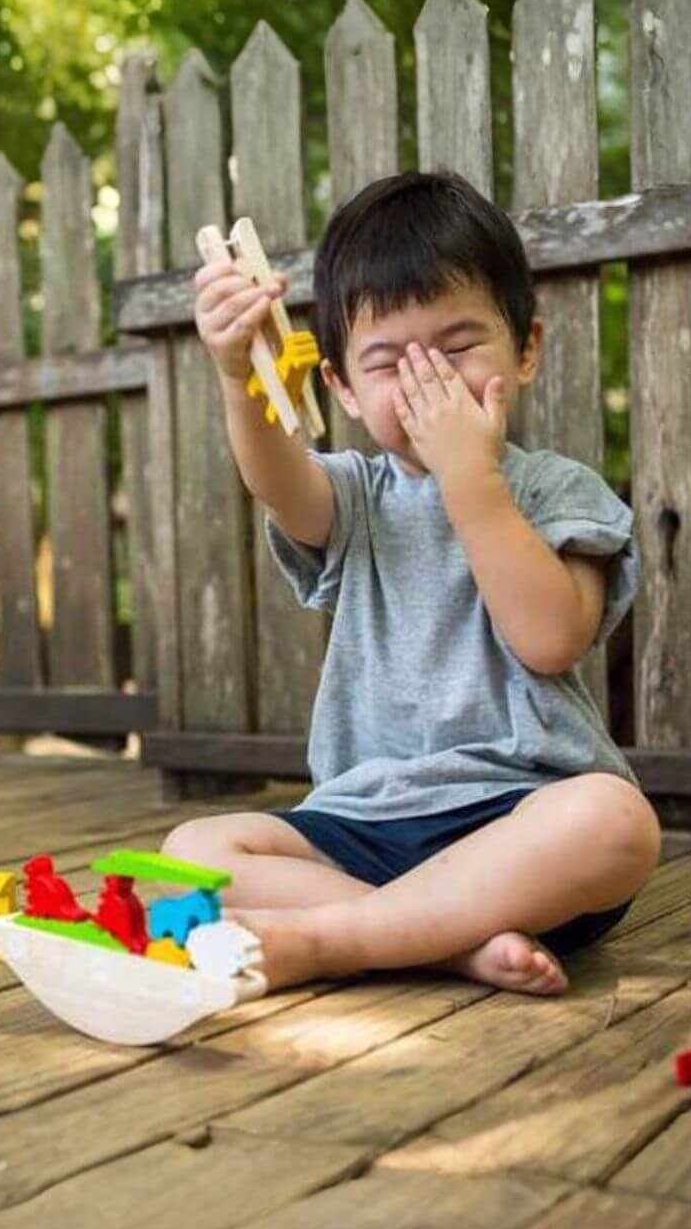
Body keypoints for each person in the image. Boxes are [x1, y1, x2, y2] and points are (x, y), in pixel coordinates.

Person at [161, 170, 661, 996]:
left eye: (457, 347)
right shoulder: (357, 495)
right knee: (192, 852)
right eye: (389, 362)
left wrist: (472, 479)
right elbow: (276, 480)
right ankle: (443, 942)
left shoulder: (558, 493)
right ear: (343, 388)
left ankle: (332, 938)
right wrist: (234, 377)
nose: (426, 379)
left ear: (526, 350)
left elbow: (549, 638)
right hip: (364, 822)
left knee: (616, 822)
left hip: (520, 820)